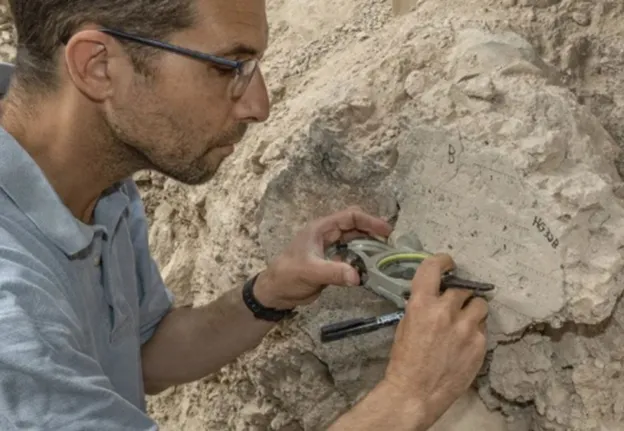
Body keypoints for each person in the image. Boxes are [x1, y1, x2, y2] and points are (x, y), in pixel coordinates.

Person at [0, 0, 489, 429]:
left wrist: (270, 293)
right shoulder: (13, 314)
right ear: (98, 65)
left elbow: (144, 356)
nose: (260, 106)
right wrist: (408, 397)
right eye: (228, 67)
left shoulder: (98, 178)